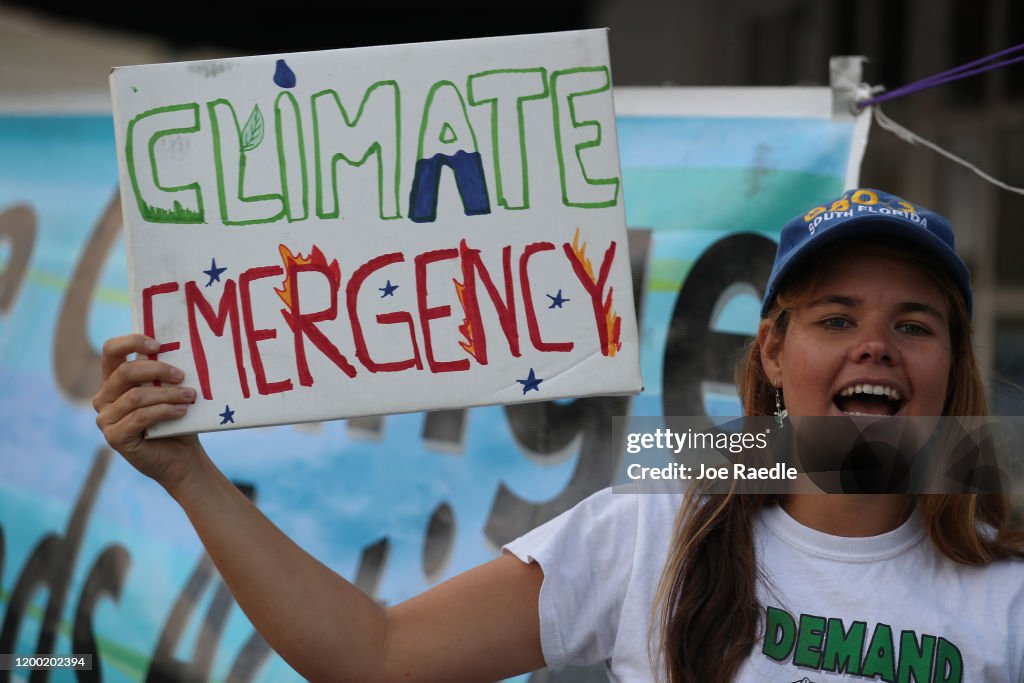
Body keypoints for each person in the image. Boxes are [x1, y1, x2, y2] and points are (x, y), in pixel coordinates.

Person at [94, 188, 1024, 682]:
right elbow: (374, 656)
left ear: (950, 365)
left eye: (914, 324)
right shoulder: (656, 524)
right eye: (835, 318)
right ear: (772, 352)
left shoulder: (1006, 590)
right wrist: (190, 474)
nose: (877, 345)